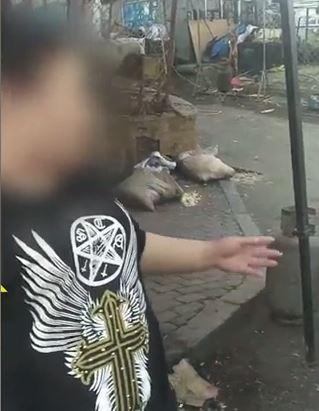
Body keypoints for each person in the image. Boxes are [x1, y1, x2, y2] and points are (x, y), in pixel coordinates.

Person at [1, 8, 282, 411]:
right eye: (66, 93)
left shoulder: (77, 188)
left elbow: (129, 247)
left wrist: (209, 253)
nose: (85, 114)